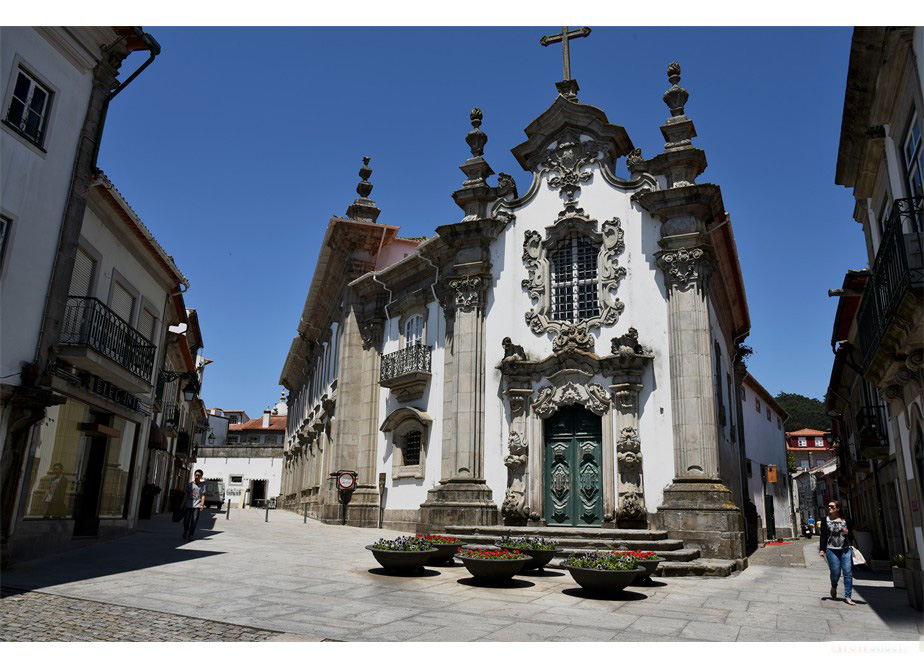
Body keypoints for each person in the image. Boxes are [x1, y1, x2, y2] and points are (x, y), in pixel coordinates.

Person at [819, 499, 856, 606]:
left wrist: (848, 533)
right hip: (831, 550)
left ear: (838, 509)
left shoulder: (846, 521)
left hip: (845, 549)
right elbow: (824, 536)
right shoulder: (825, 520)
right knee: (835, 572)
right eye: (829, 506)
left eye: (832, 507)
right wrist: (822, 549)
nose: (829, 508)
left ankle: (848, 596)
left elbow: (852, 536)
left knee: (848, 572)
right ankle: (834, 586)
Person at [181, 469, 206, 540]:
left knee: (194, 521)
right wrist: (182, 504)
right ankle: (186, 530)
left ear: (201, 477)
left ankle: (191, 534)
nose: (196, 476)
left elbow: (203, 495)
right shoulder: (190, 485)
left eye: (198, 475)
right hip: (189, 505)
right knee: (186, 520)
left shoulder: (202, 485)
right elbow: (186, 494)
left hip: (197, 506)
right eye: (196, 475)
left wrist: (202, 505)